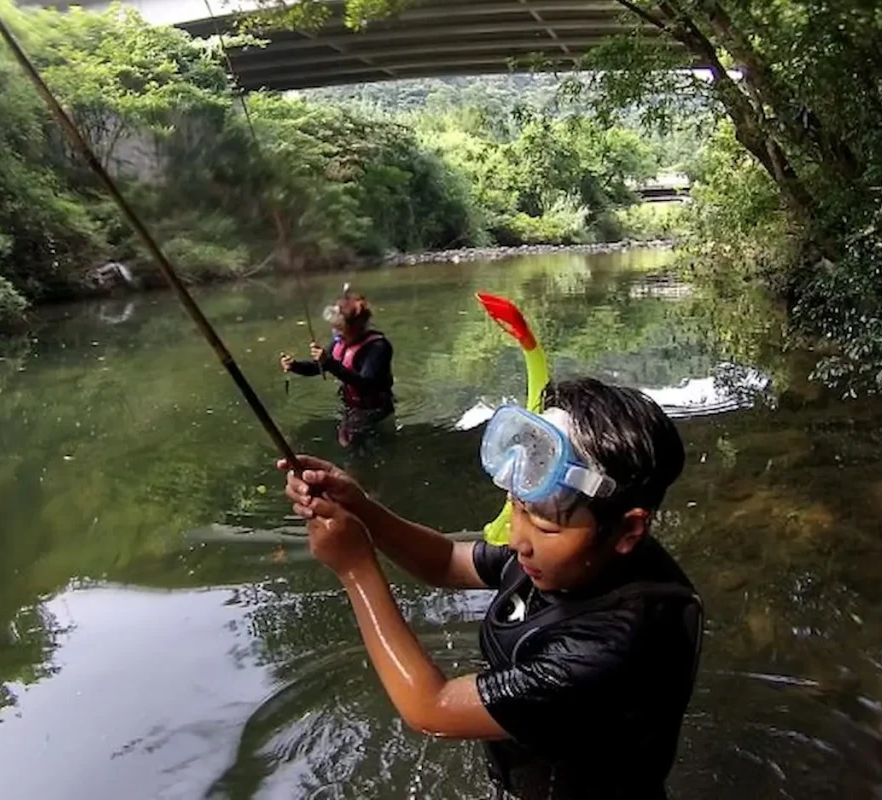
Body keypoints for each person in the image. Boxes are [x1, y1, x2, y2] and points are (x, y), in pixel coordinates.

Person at [279, 378, 703, 800]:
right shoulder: (572, 561)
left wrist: (355, 570)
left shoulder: (612, 644)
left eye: (544, 523)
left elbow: (432, 709)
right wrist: (361, 508)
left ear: (628, 528)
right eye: (517, 508)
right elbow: (446, 561)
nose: (519, 539)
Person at [279, 290, 394, 447]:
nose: (335, 333)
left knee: (356, 445)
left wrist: (329, 363)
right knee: (346, 441)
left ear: (355, 327)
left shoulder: (378, 347)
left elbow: (367, 384)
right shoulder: (340, 342)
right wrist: (294, 365)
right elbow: (317, 367)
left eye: (339, 328)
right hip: (350, 405)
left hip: (375, 408)